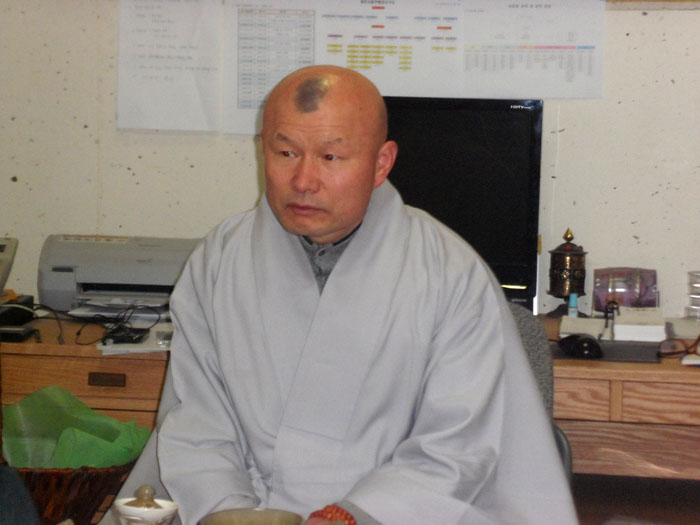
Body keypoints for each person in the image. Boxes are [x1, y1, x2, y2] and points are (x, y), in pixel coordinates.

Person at [112, 65, 577, 525]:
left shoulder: (449, 273)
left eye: (331, 157)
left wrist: (351, 516)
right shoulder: (219, 262)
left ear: (381, 163)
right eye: (286, 152)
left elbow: (457, 447)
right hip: (243, 511)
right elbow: (197, 424)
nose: (303, 181)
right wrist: (232, 514)